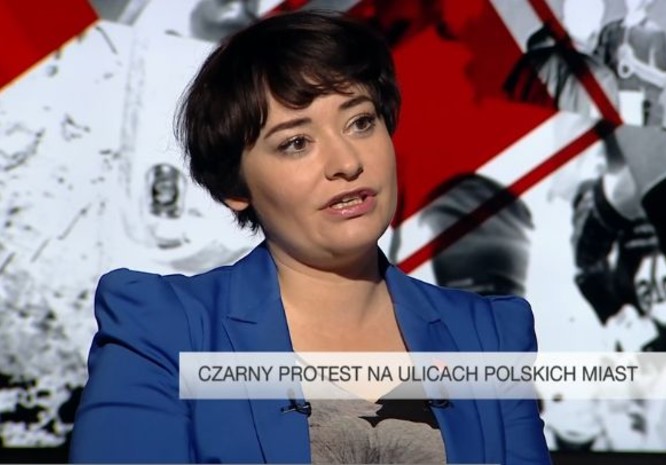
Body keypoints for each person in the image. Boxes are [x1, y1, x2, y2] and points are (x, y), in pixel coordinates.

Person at [69, 10, 551, 464]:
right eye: (296, 142)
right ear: (236, 188)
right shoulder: (166, 330)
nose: (347, 162)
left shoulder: (489, 335)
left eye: (360, 122)